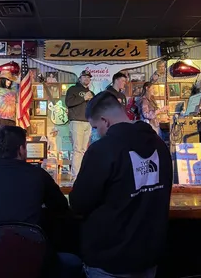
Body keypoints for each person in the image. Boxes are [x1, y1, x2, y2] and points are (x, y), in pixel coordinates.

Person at [69, 91, 173, 278]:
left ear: (105, 121)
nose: (96, 133)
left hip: (110, 259)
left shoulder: (102, 150)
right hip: (149, 256)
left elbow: (78, 204)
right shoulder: (159, 145)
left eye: (95, 127)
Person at [0, 126, 82, 278]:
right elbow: (61, 208)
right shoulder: (37, 174)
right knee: (72, 261)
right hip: (29, 259)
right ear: (21, 149)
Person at [65, 70, 94, 180]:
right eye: (85, 77)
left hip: (88, 122)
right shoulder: (73, 89)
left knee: (83, 150)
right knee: (77, 149)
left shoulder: (91, 92)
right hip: (76, 121)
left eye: (89, 77)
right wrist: (83, 98)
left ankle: (82, 174)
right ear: (80, 78)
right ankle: (75, 176)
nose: (87, 79)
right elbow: (68, 103)